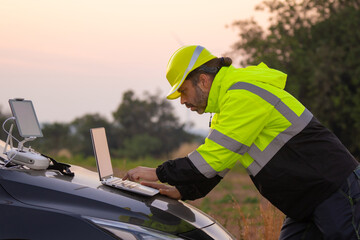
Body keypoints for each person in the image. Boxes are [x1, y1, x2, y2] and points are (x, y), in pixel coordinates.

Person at [123, 45, 360, 239]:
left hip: (334, 192)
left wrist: (157, 172)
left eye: (183, 91)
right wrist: (181, 190)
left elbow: (211, 160)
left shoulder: (242, 94)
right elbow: (217, 168)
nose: (183, 101)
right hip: (306, 203)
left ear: (204, 81)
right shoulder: (225, 109)